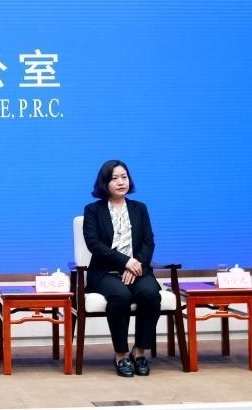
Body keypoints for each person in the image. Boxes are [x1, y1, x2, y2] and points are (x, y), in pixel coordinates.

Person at [82, 159, 160, 377]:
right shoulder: (93, 210)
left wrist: (136, 264)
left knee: (150, 293)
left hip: (138, 269)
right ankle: (121, 354)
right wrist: (125, 262)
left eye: (124, 177)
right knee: (121, 296)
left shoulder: (139, 208)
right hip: (105, 271)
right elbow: (94, 244)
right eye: (114, 178)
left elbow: (148, 242)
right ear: (104, 183)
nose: (120, 182)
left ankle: (140, 352)